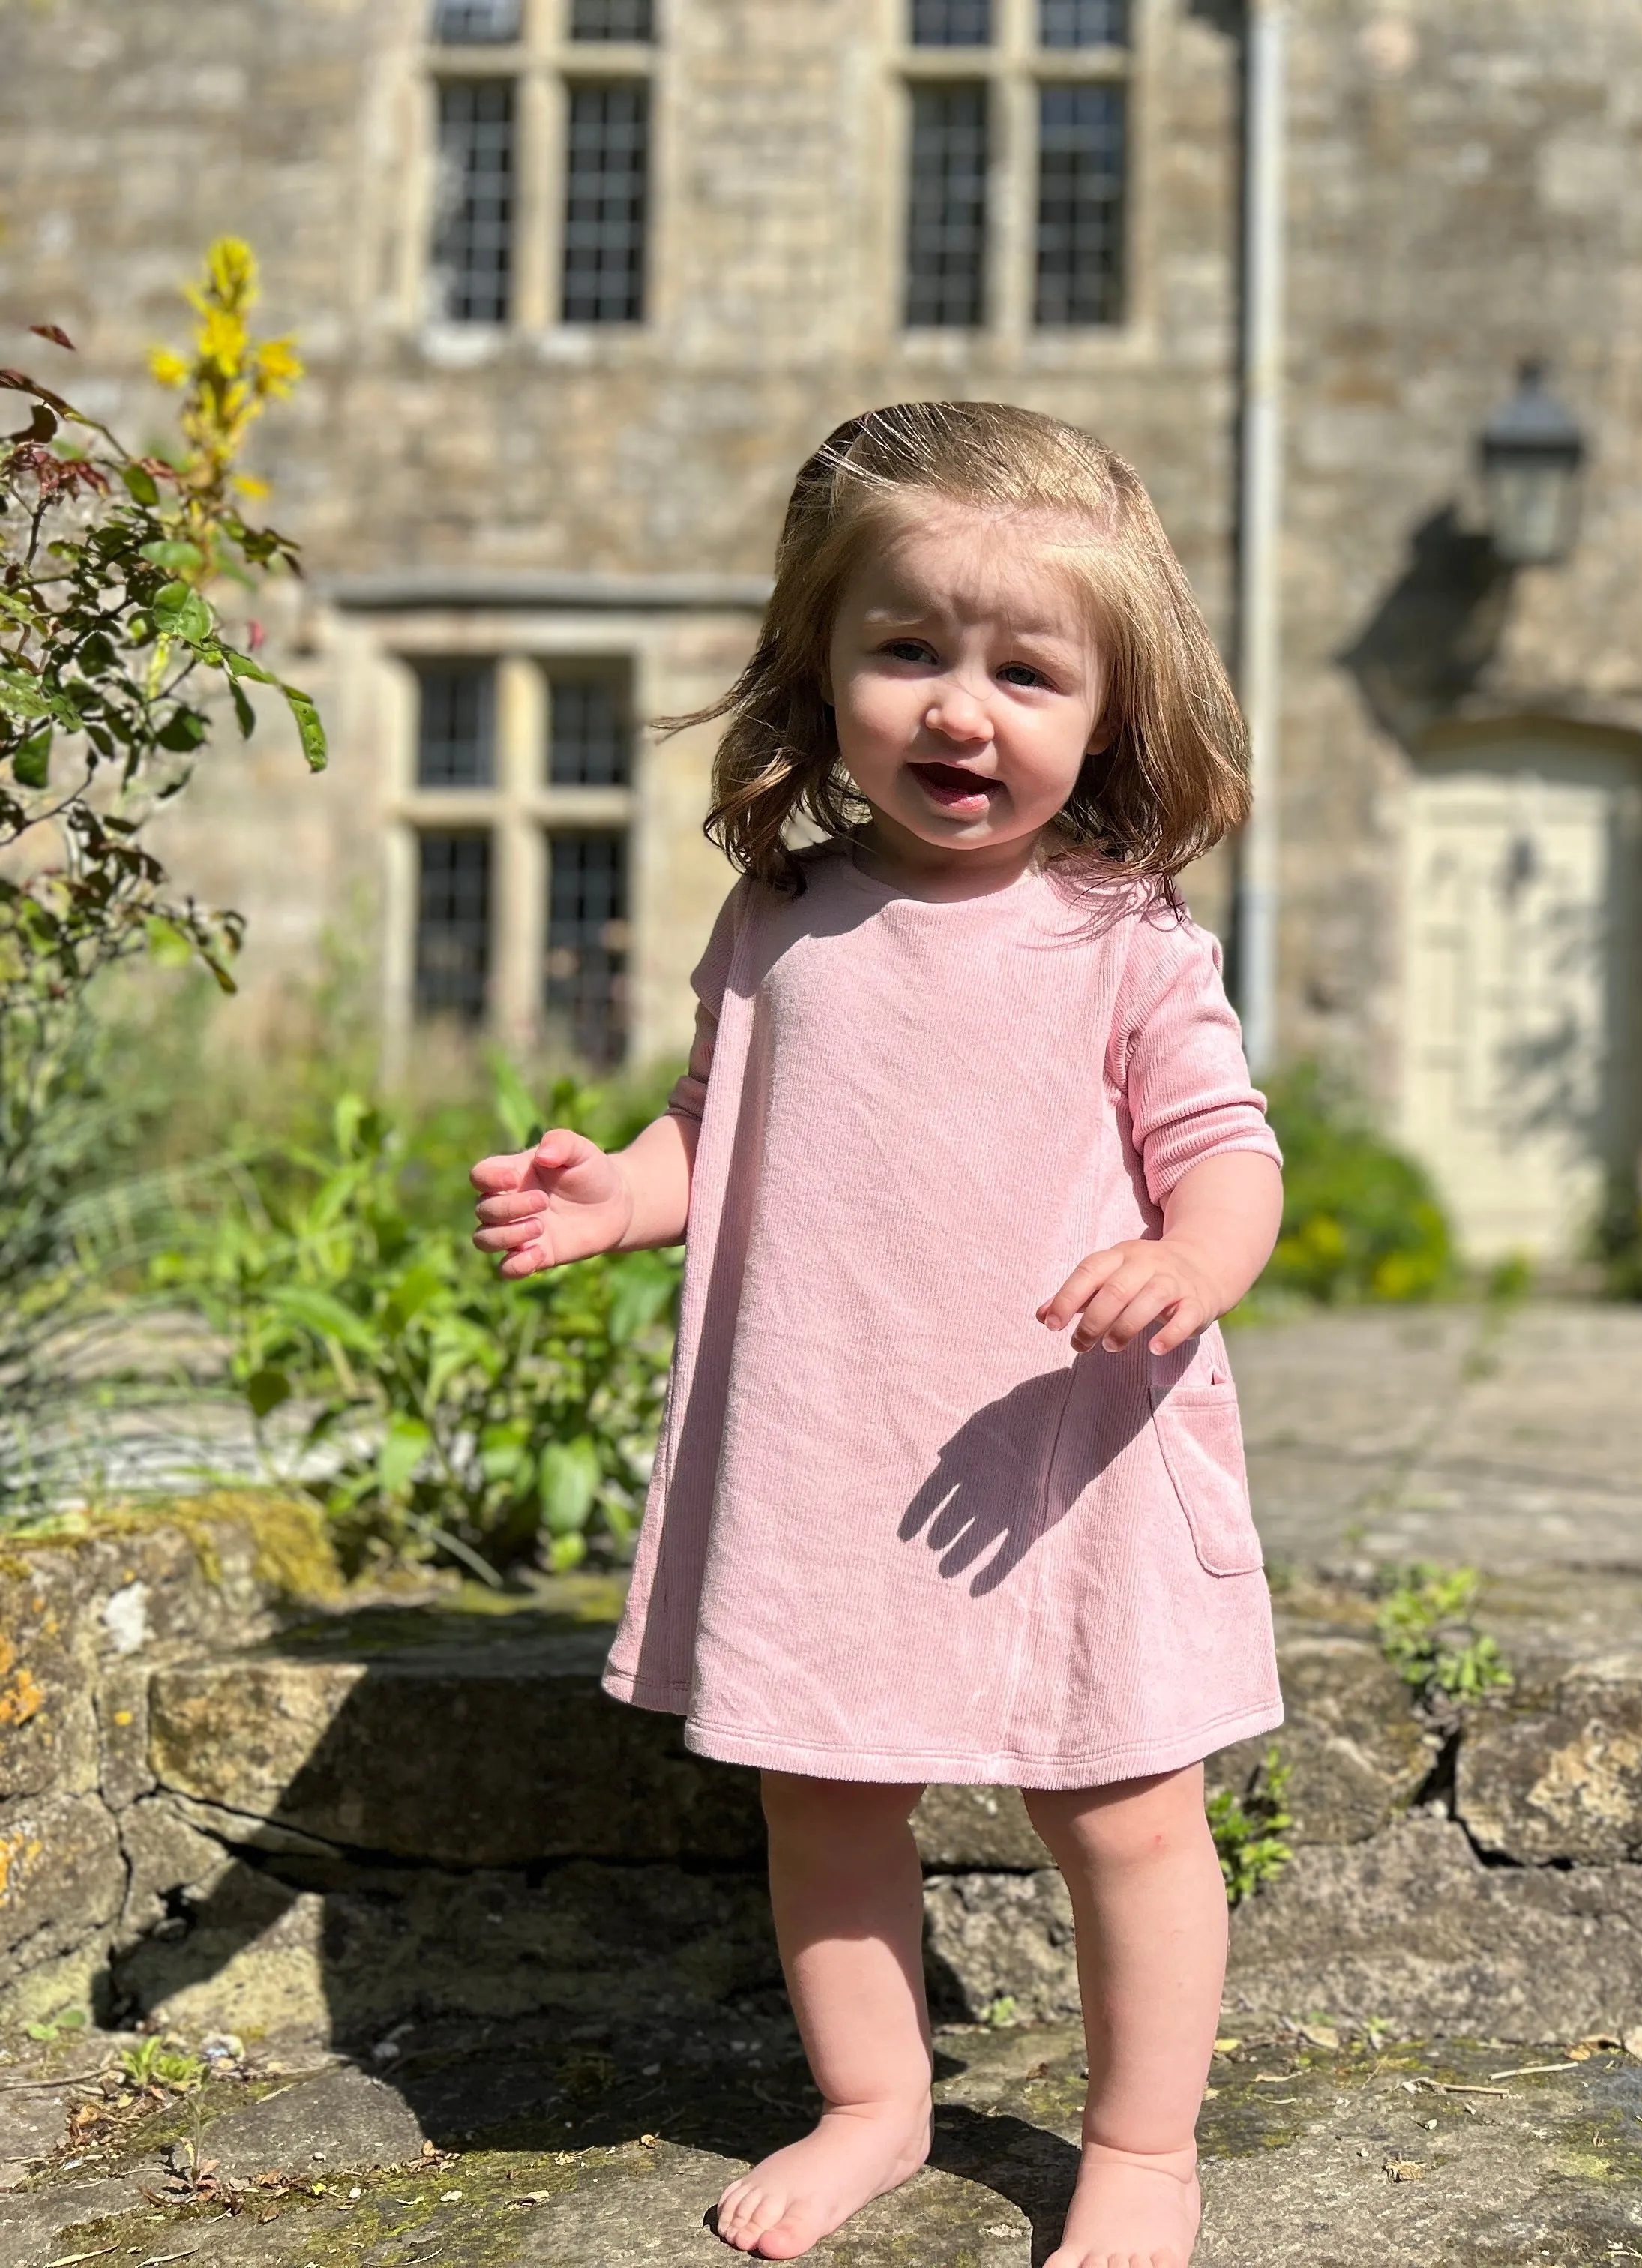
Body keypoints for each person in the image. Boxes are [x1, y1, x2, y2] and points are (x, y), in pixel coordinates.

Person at [466, 400, 1285, 2267]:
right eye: (908, 651)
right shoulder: (783, 919)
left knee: (1127, 1815)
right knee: (824, 1801)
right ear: (820, 670)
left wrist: (1192, 1259)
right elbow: (716, 1124)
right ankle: (875, 2102)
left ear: (1110, 716)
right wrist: (619, 1192)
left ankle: (1144, 2151)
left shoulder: (1125, 937)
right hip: (831, 1447)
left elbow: (1231, 1158)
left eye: (1023, 670)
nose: (959, 708)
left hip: (1058, 1458)